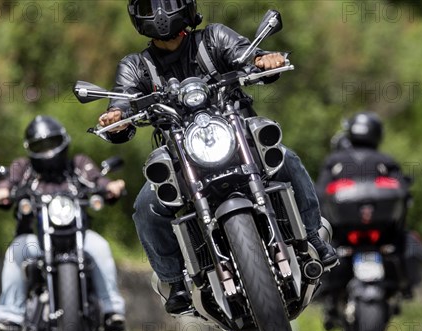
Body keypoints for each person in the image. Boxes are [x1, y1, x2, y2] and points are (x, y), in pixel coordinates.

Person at [97, 0, 338, 313]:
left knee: (286, 159)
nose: (159, 11)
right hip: (184, 156)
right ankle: (174, 281)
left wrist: (264, 60)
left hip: (237, 141)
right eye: (151, 5)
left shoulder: (212, 38)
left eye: (166, 2)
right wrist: (116, 115)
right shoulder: (136, 65)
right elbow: (122, 100)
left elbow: (245, 55)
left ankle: (311, 237)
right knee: (146, 206)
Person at [0, 115, 127, 331]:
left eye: (51, 143)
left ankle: (112, 310)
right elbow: (7, 184)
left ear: (63, 141)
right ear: (30, 148)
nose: (47, 151)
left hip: (78, 237)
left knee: (100, 246)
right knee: (16, 251)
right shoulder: (24, 168)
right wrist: (1, 192)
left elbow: (97, 180)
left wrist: (111, 186)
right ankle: (10, 315)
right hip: (36, 240)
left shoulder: (78, 165)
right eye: (40, 146)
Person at [315, 111, 422, 328]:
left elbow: (319, 194)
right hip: (383, 236)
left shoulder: (335, 161)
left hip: (343, 237)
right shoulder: (386, 161)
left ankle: (329, 298)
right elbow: (404, 194)